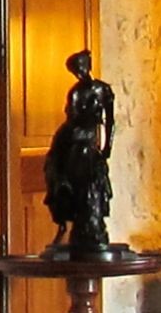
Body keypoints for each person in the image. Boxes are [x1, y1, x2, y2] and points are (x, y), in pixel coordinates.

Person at [42, 49, 116, 255]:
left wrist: (107, 147)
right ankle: (65, 224)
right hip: (72, 141)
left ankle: (91, 228)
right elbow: (72, 119)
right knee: (64, 180)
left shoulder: (103, 90)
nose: (80, 73)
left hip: (88, 144)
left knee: (91, 186)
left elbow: (110, 121)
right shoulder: (75, 92)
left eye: (81, 68)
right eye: (76, 70)